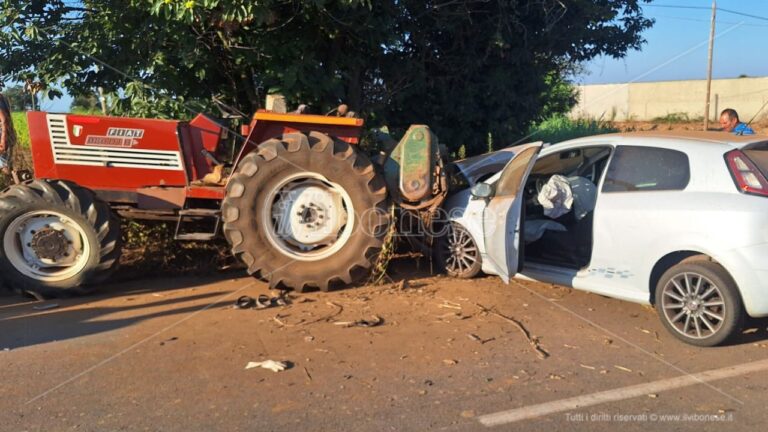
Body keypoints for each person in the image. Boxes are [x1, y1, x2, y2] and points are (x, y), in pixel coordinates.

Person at [0, 82, 18, 172]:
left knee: (4, 165)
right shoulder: (2, 97)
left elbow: (4, 119)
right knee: (6, 164)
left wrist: (3, 139)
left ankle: (13, 183)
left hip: (2, 133)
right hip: (7, 132)